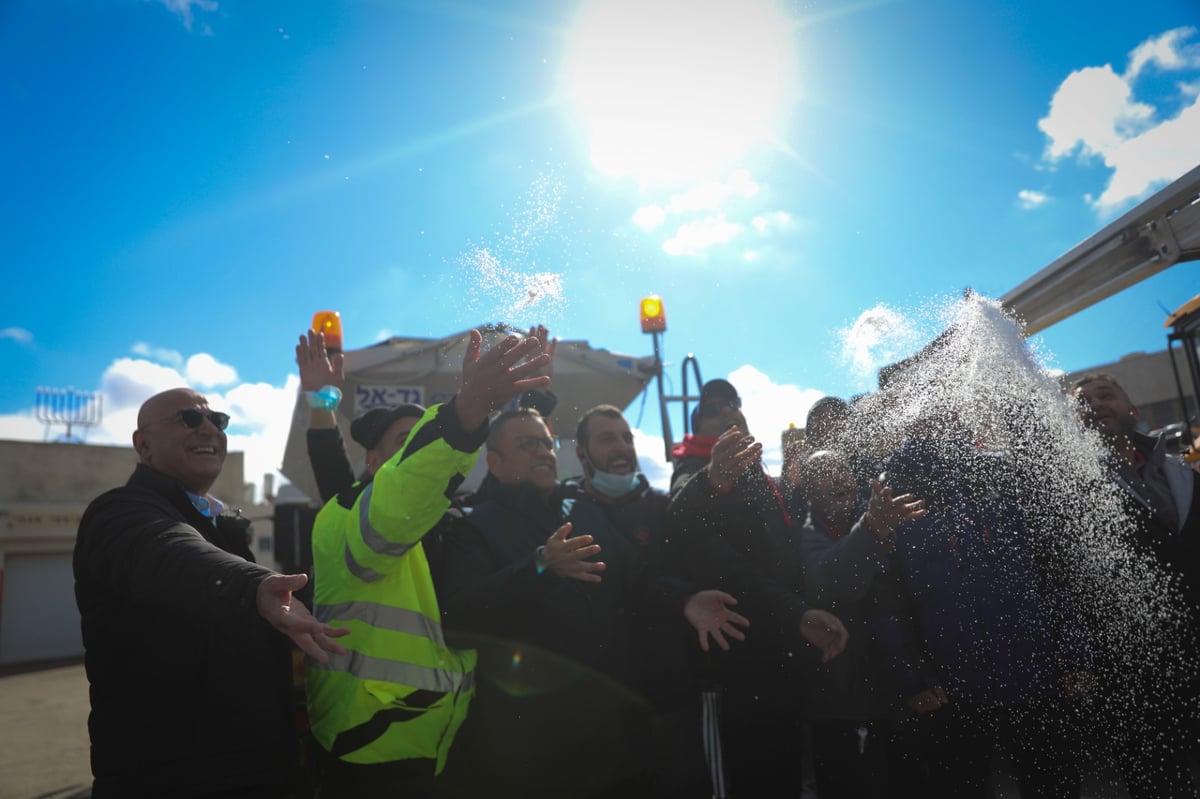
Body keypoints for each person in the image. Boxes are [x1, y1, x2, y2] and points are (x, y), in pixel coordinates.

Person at [303, 331, 550, 799]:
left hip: (447, 742)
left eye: (423, 438)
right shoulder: (351, 515)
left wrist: (534, 405)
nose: (419, 448)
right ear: (373, 461)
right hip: (374, 748)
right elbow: (395, 487)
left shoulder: (454, 520)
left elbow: (505, 490)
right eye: (406, 441)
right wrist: (465, 412)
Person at [74, 388, 349, 799]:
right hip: (170, 781)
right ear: (142, 444)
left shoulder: (224, 526)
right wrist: (253, 586)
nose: (208, 428)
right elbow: (170, 550)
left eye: (217, 420)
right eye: (188, 418)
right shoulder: (119, 512)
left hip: (262, 772)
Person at [876, 417, 1090, 799]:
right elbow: (889, 600)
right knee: (963, 786)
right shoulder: (890, 487)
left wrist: (1073, 652)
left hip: (1036, 669)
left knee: (1053, 783)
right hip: (951, 685)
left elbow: (1052, 570)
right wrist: (913, 680)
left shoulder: (1001, 469)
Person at [666, 377, 850, 798]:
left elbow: (783, 556)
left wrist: (799, 491)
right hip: (742, 674)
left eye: (732, 402)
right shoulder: (694, 473)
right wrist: (713, 478)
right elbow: (688, 529)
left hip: (784, 662)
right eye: (713, 407)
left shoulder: (761, 478)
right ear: (698, 431)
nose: (728, 410)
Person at [565, 404, 750, 798]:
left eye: (627, 437)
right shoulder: (564, 514)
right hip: (598, 706)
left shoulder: (663, 507)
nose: (622, 448)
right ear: (581, 453)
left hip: (670, 700)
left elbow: (688, 543)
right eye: (607, 438)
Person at [1070, 373, 1200, 799]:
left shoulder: (1186, 475)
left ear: (1134, 410)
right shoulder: (1068, 490)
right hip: (1135, 675)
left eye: (1105, 395)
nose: (1094, 403)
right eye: (1082, 401)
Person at [797, 449, 927, 799]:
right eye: (825, 472)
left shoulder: (887, 518)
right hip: (844, 710)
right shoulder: (806, 536)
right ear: (808, 494)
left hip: (900, 697)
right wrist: (871, 529)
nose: (838, 477)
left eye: (843, 469)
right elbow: (833, 582)